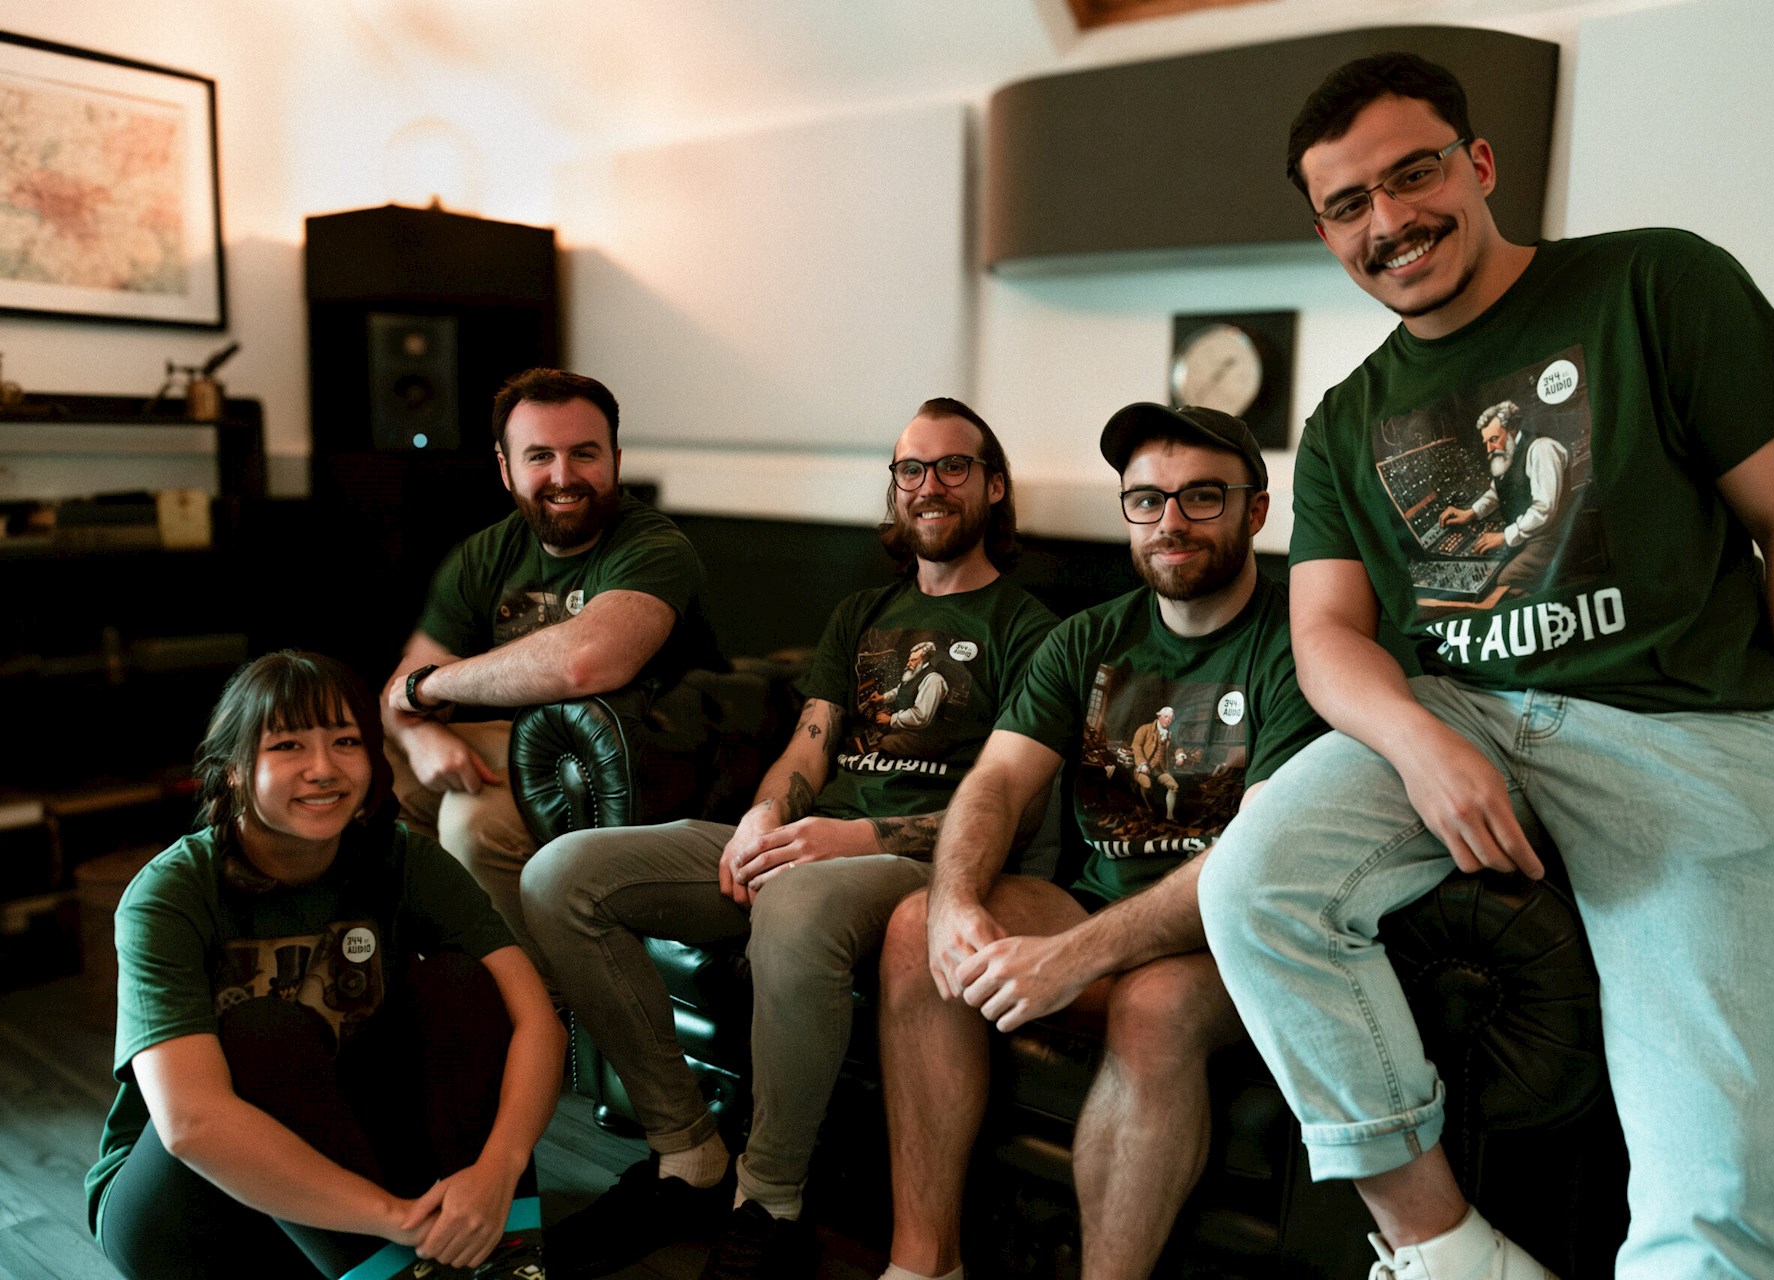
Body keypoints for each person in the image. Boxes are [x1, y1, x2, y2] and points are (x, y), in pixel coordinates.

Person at [1195, 52, 1774, 1280]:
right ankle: (1445, 1247)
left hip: (1683, 730)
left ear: (1478, 166)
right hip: (1463, 708)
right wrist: (1423, 746)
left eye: (1412, 173)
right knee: (1254, 885)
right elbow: (1323, 633)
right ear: (1324, 232)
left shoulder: (1656, 281)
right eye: (1348, 205)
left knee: (1716, 1187)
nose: (1390, 221)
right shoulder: (1347, 419)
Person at [520, 398, 1058, 1280]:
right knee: (560, 876)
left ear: (993, 488)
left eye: (953, 467)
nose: (930, 486)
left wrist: (850, 837)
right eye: (910, 470)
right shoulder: (859, 616)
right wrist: (768, 817)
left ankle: (769, 1200)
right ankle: (688, 1151)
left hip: (913, 860)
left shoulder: (1033, 631)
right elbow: (806, 749)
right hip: (817, 837)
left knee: (801, 898)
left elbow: (1015, 807)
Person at [877, 403, 1325, 1280]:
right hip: (1095, 910)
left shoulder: (1297, 646)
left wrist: (1077, 954)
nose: (1171, 523)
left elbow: (1254, 867)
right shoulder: (1088, 638)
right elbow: (997, 784)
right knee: (913, 925)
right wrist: (956, 899)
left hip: (1231, 942)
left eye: (1202, 497)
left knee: (1150, 1005)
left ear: (1257, 510)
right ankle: (924, 1265)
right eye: (1147, 499)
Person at [87, 650, 566, 1280]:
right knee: (262, 1030)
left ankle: (499, 1251)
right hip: (199, 1205)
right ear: (232, 770)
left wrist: (497, 1169)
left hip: (364, 1168)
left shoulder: (404, 862)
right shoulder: (169, 894)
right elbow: (191, 1123)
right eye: (287, 745)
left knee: (462, 983)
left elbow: (537, 1021)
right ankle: (397, 1269)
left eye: (346, 741)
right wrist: (396, 1219)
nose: (323, 769)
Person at [381, 367, 722, 961]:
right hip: (519, 750)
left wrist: (431, 688)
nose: (564, 477)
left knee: (473, 824)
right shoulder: (488, 552)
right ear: (505, 467)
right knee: (369, 775)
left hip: (634, 768)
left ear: (614, 459)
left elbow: (586, 664)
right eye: (539, 456)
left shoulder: (655, 547)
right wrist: (420, 740)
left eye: (583, 454)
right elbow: (401, 691)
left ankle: (542, 1011)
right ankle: (416, 979)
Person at [1436, 400, 1569, 594]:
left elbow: (1544, 509)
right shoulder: (1507, 453)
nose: (1489, 449)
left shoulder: (1541, 449)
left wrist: (1505, 537)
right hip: (1526, 534)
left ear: (1512, 429)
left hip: (1550, 538)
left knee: (1504, 579)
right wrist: (1471, 513)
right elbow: (1497, 492)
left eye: (1494, 439)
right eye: (1486, 442)